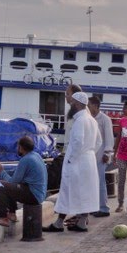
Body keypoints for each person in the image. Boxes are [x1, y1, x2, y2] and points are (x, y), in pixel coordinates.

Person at [45, 91, 102, 232]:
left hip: (77, 162)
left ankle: (59, 223)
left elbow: (77, 141)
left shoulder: (80, 120)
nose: (69, 106)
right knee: (86, 193)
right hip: (88, 161)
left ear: (76, 104)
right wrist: (89, 153)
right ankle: (81, 222)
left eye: (71, 103)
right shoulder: (92, 120)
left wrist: (71, 159)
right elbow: (99, 142)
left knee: (67, 191)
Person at [0, 136, 48, 227]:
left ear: (21, 148)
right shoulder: (35, 156)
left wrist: (1, 171)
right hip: (38, 195)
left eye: (18, 147)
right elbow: (17, 174)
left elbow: (13, 181)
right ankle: (12, 214)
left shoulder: (25, 160)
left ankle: (3, 217)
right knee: (9, 187)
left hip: (33, 195)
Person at [87, 96, 115, 217]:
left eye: (89, 105)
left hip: (100, 155)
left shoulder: (105, 119)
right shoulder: (89, 118)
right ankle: (94, 206)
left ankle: (104, 208)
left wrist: (107, 153)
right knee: (91, 182)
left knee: (100, 181)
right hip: (90, 155)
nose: (87, 107)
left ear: (95, 105)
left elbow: (109, 137)